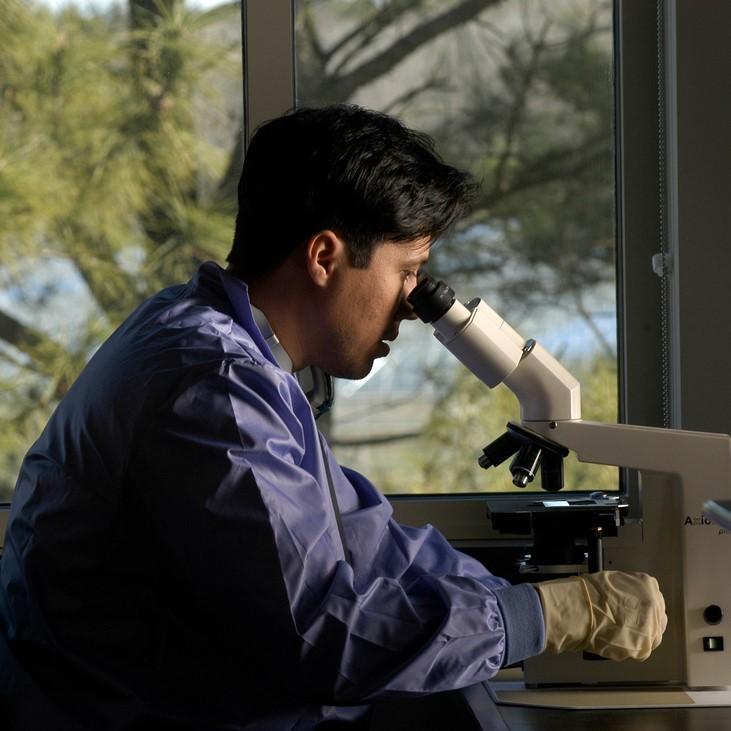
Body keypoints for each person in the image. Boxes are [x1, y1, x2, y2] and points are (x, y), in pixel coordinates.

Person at [0, 105, 666, 730]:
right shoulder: (214, 386)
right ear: (323, 257)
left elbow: (363, 538)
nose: (414, 306)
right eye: (408, 272)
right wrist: (545, 616)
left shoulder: (217, 343)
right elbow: (324, 637)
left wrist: (527, 604)